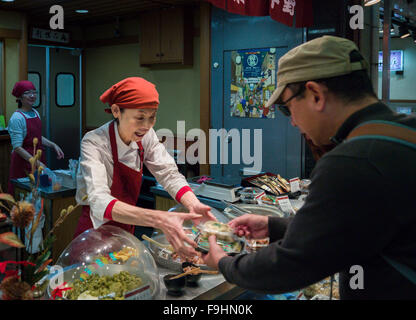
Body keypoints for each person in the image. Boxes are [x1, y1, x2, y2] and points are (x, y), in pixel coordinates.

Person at [202, 36, 416, 299]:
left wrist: (224, 262)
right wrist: (276, 226)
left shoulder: (351, 161)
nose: (292, 122)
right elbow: (356, 227)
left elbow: (289, 265)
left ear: (315, 95)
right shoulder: (404, 132)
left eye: (287, 108)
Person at [74, 77, 215, 258]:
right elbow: (99, 201)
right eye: (140, 118)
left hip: (127, 227)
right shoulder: (94, 142)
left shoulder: (145, 136)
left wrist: (194, 205)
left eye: (152, 117)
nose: (147, 126)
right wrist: (160, 219)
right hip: (95, 232)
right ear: (116, 111)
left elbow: (168, 173)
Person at [7, 80, 64, 195]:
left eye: (34, 92)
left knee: (41, 192)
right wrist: (36, 162)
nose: (32, 96)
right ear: (20, 97)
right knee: (25, 195)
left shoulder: (35, 113)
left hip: (38, 158)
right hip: (23, 163)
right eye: (28, 93)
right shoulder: (17, 118)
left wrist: (53, 145)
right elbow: (17, 147)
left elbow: (36, 136)